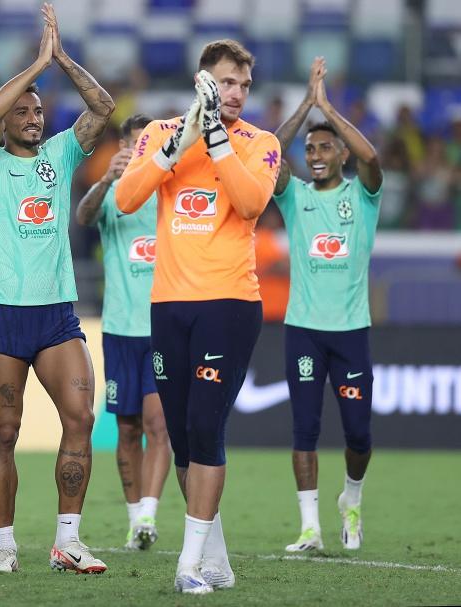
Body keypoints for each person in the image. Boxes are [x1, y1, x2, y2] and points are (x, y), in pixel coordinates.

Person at [116, 39, 281, 594]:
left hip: (229, 303)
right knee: (185, 440)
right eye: (225, 83)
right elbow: (126, 198)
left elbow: (252, 203)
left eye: (243, 85)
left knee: (206, 428)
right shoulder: (159, 133)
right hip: (168, 305)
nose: (235, 94)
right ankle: (217, 557)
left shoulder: (261, 143)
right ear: (203, 82)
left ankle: (187, 566)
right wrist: (185, 137)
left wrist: (215, 137)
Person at [0, 3, 114, 574]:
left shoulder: (60, 152)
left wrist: (62, 60)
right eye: (23, 110)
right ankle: (4, 545)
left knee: (81, 418)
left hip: (56, 316)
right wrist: (33, 66)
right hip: (4, 315)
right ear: (7, 122)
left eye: (38, 109)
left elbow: (102, 107)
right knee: (3, 433)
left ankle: (67, 541)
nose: (33, 116)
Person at [272, 57, 382, 553]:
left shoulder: (363, 197)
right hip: (303, 330)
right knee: (305, 429)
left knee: (359, 435)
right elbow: (269, 154)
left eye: (324, 148)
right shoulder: (294, 197)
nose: (314, 154)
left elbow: (373, 156)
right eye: (310, 148)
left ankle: (351, 499)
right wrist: (306, 105)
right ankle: (310, 529)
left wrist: (329, 110)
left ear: (341, 155)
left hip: (351, 331)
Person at [75, 113, 171, 551]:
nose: (137, 153)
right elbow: (82, 216)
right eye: (131, 145)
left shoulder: (171, 192)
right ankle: (136, 523)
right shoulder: (113, 194)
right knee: (128, 429)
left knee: (157, 423)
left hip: (162, 327)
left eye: (145, 145)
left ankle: (149, 513)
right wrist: (104, 181)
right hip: (118, 329)